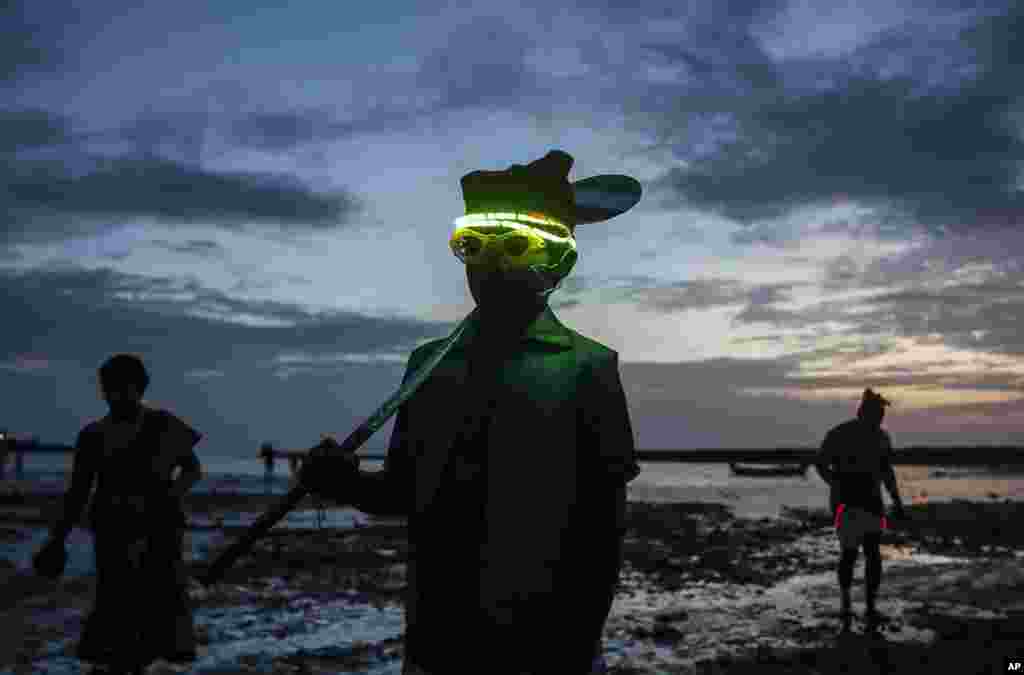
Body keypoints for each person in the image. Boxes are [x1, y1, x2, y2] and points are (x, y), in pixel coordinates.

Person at [300, 149, 643, 675]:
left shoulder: (589, 368)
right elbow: (402, 491)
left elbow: (603, 529)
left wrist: (579, 641)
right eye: (473, 246)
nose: (491, 264)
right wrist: (342, 481)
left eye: (514, 246)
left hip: (546, 640)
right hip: (439, 635)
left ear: (560, 261)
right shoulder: (427, 364)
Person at [37, 353, 204, 674]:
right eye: (109, 388)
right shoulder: (92, 435)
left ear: (139, 388)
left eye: (123, 388)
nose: (115, 395)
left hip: (160, 530)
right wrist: (56, 540)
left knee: (158, 603)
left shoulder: (163, 424)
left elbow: (193, 469)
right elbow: (78, 493)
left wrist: (170, 495)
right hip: (113, 531)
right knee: (115, 604)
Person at [815, 388, 906, 632]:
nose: (880, 418)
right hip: (846, 504)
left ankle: (870, 605)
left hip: (873, 502)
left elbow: (887, 473)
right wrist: (835, 482)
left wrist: (897, 501)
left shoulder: (882, 438)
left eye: (882, 415)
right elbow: (821, 463)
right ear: (863, 412)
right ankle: (845, 604)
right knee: (849, 554)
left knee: (873, 554)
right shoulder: (840, 433)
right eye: (877, 413)